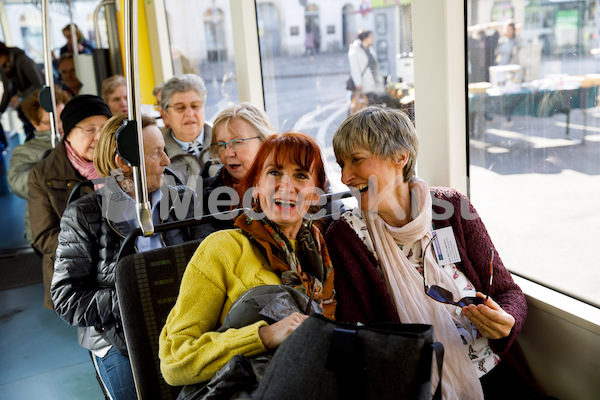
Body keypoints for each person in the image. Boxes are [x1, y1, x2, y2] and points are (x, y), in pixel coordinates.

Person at [325, 107, 540, 400]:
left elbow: (507, 292)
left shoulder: (451, 207)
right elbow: (355, 331)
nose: (345, 177)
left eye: (356, 160)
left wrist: (507, 321)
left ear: (401, 157)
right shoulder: (346, 237)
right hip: (420, 386)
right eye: (341, 164)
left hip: (496, 370)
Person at [159, 132, 336, 387]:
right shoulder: (223, 249)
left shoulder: (323, 254)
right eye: (274, 172)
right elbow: (175, 362)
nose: (286, 186)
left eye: (300, 175)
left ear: (316, 194)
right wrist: (263, 336)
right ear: (256, 183)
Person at [51, 113, 206, 400]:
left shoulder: (184, 200)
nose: (167, 161)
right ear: (123, 163)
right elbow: (66, 298)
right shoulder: (85, 215)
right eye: (156, 153)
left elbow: (210, 261)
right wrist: (136, 300)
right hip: (117, 333)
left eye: (164, 150)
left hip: (184, 321)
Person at [28, 95, 112, 310]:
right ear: (67, 133)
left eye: (105, 128)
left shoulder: (121, 163)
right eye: (90, 129)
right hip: (76, 269)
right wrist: (94, 247)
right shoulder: (43, 174)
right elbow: (43, 236)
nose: (99, 137)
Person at [196, 103, 275, 237]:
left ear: (264, 141)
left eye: (237, 142)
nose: (228, 153)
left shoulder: (288, 186)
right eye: (222, 145)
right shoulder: (203, 193)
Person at [8, 87, 69, 244]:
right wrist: (54, 162)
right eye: (51, 123)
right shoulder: (25, 151)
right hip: (49, 225)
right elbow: (17, 183)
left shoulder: (79, 139)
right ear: (35, 124)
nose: (60, 126)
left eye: (63, 118)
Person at [161, 73, 215, 186]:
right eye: (180, 108)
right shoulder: (160, 156)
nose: (190, 113)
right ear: (165, 115)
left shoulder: (224, 142)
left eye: (195, 106)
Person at [0, 41, 44, 140]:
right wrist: (1, 110)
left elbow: (39, 84)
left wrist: (20, 97)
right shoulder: (3, 68)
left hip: (36, 106)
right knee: (29, 139)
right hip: (24, 111)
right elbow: (7, 89)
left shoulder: (22, 60)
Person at [347, 30, 385, 105]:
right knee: (365, 107)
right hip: (364, 85)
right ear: (365, 38)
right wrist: (358, 83)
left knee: (374, 107)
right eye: (371, 37)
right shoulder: (355, 51)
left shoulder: (370, 49)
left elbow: (376, 66)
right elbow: (354, 69)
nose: (372, 39)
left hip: (374, 84)